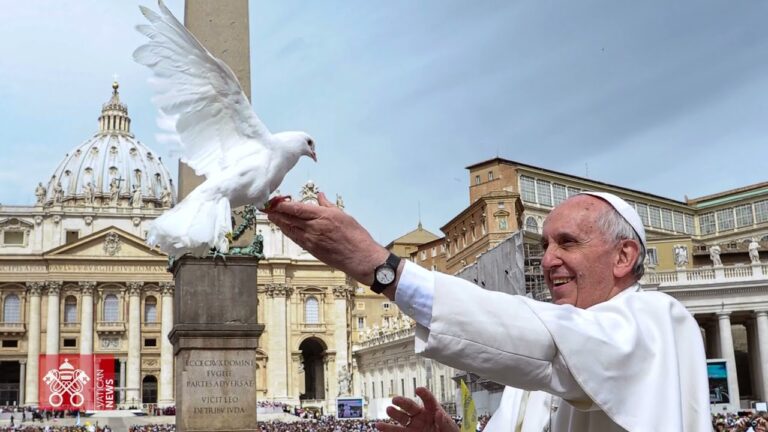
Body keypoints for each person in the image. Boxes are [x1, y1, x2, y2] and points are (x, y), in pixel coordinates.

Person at [267, 191, 710, 431]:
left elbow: (550, 341)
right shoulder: (535, 378)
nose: (549, 259)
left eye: (568, 242)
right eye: (545, 245)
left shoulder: (658, 322)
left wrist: (383, 269)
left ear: (623, 256)